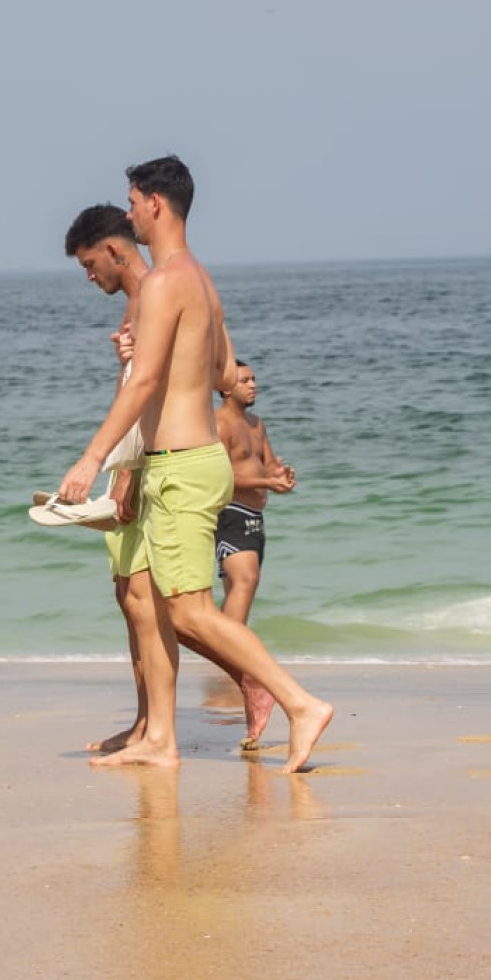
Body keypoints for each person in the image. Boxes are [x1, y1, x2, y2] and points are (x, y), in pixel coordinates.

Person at [57, 156, 332, 772]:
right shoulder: (200, 279)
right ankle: (159, 739)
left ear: (155, 203)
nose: (129, 214)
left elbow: (147, 380)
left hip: (182, 464)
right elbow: (222, 374)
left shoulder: (161, 283)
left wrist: (91, 459)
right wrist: (144, 350)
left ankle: (299, 702)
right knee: (153, 606)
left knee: (188, 610)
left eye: (132, 203)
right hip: (179, 461)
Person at [214, 359, 295, 634]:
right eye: (244, 381)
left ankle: (224, 662)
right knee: (246, 581)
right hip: (231, 514)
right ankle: (232, 656)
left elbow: (269, 464)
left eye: (253, 379)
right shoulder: (218, 424)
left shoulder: (256, 423)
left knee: (238, 587)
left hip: (255, 517)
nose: (253, 386)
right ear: (225, 388)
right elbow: (219, 477)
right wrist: (267, 482)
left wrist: (281, 476)